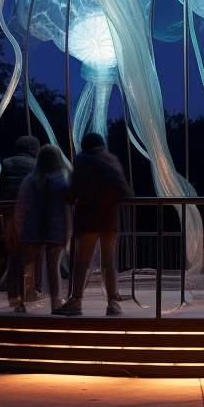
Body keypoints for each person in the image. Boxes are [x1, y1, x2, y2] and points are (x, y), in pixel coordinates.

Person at [57, 133, 133, 316]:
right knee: (109, 263)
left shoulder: (82, 161)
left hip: (87, 220)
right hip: (110, 220)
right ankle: (112, 304)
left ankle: (76, 302)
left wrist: (71, 197)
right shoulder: (112, 160)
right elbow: (126, 192)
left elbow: (71, 192)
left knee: (82, 263)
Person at [14, 145, 71, 311]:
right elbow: (67, 206)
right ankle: (55, 301)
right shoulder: (63, 178)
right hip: (56, 228)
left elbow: (21, 205)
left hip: (33, 229)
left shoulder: (30, 179)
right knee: (53, 266)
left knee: (33, 265)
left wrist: (20, 228)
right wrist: (69, 229)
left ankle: (24, 300)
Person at [0, 136, 39, 304]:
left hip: (9, 216)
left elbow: (1, 190)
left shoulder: (6, 162)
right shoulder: (37, 165)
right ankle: (29, 291)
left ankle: (14, 294)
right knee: (30, 254)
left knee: (13, 253)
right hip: (29, 216)